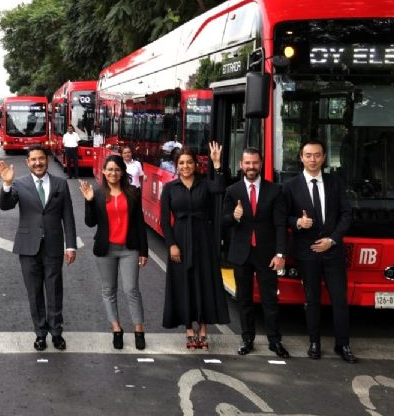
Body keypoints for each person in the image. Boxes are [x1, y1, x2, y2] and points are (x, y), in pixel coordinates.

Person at [0, 146, 77, 351]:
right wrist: (6, 184)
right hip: (27, 247)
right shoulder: (19, 183)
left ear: (47, 160)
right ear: (27, 162)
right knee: (34, 293)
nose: (38, 163)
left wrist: (71, 246)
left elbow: (68, 216)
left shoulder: (60, 184)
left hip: (53, 246)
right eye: (33, 159)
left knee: (54, 291)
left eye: (41, 158)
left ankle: (57, 333)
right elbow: (5, 205)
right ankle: (40, 333)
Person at [284, 139, 356, 363]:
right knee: (311, 300)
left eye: (317, 155)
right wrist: (297, 222)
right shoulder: (290, 186)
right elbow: (282, 216)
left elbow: (346, 215)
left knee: (339, 300)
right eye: (308, 155)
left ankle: (342, 345)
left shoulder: (335, 183)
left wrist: (332, 240)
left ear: (324, 157)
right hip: (307, 253)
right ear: (301, 158)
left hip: (332, 252)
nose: (313, 159)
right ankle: (314, 343)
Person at [222, 147, 290, 358]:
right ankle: (247, 339)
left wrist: (281, 254)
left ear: (261, 164)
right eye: (247, 163)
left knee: (270, 300)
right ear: (241, 165)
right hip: (241, 253)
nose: (251, 167)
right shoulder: (232, 191)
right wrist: (234, 216)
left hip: (267, 254)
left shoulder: (275, 190)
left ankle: (274, 341)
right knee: (244, 299)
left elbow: (280, 225)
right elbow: (223, 221)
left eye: (255, 163)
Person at [160, 143, 229, 350]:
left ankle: (203, 328)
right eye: (181, 163)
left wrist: (217, 164)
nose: (185, 166)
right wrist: (172, 245)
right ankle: (189, 328)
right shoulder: (170, 188)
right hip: (180, 239)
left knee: (204, 282)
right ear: (176, 166)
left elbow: (220, 188)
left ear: (195, 164)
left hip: (203, 239)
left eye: (189, 162)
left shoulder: (205, 184)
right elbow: (165, 221)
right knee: (184, 283)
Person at [79, 156, 149, 350]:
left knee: (131, 290)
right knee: (108, 290)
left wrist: (144, 251)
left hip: (130, 249)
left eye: (117, 169)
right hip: (105, 249)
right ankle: (116, 329)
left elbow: (140, 224)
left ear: (122, 172)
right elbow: (90, 222)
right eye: (109, 169)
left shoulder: (133, 192)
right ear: (103, 172)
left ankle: (139, 330)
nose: (113, 173)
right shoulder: (98, 194)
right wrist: (89, 201)